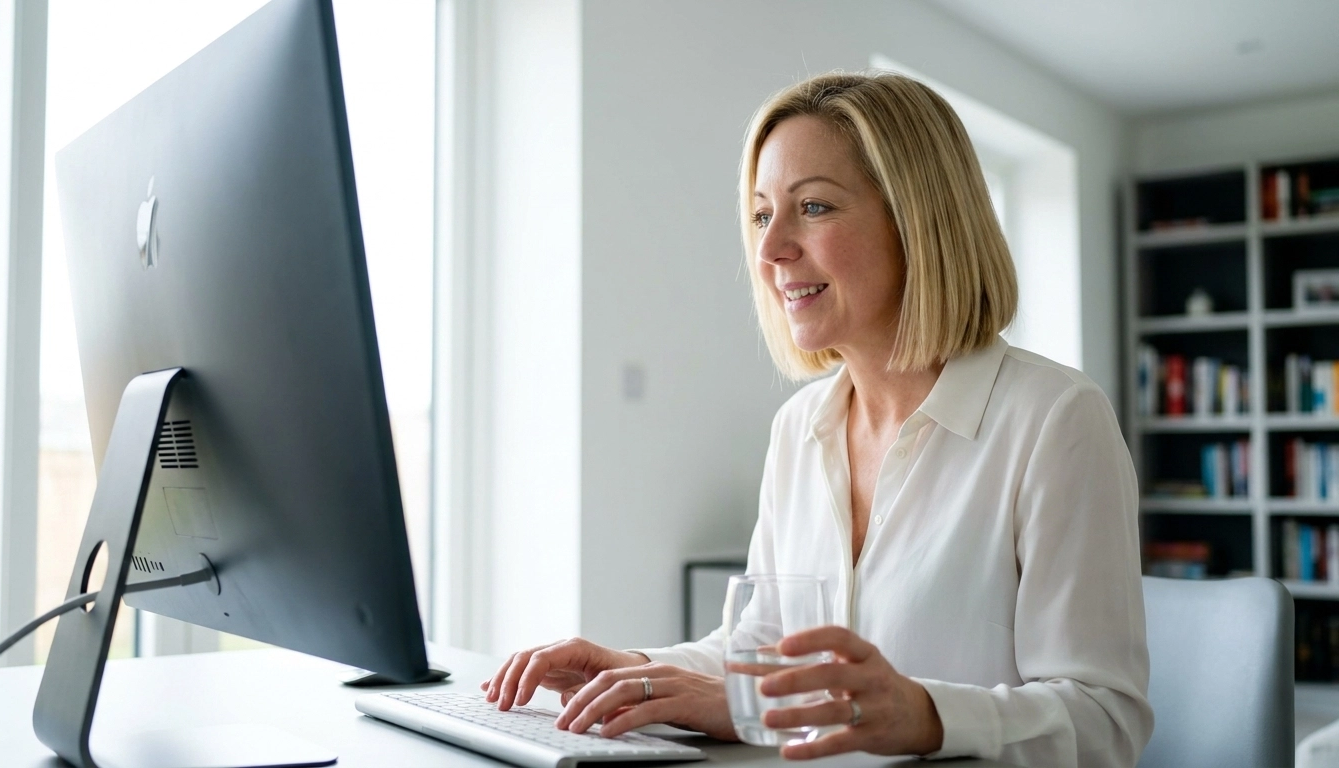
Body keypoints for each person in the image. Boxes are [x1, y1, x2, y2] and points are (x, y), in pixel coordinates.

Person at [481, 71, 1152, 767]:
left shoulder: (1055, 421)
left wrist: (923, 716)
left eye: (815, 207)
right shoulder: (799, 428)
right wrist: (630, 671)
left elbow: (1104, 721)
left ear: (918, 218)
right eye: (763, 214)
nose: (771, 252)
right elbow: (759, 652)